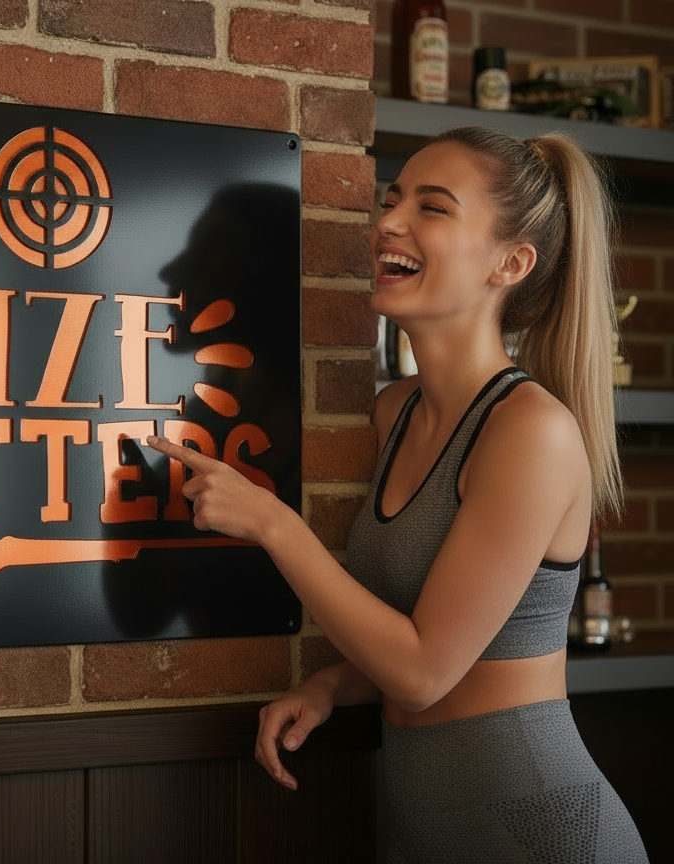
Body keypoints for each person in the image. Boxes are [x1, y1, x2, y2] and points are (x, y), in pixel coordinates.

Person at [147, 126, 649, 862]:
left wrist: (274, 525)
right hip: (422, 830)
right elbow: (436, 633)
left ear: (510, 262)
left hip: (539, 835)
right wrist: (328, 686)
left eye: (433, 207)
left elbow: (423, 673)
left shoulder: (530, 432)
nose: (387, 220)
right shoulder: (394, 412)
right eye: (392, 198)